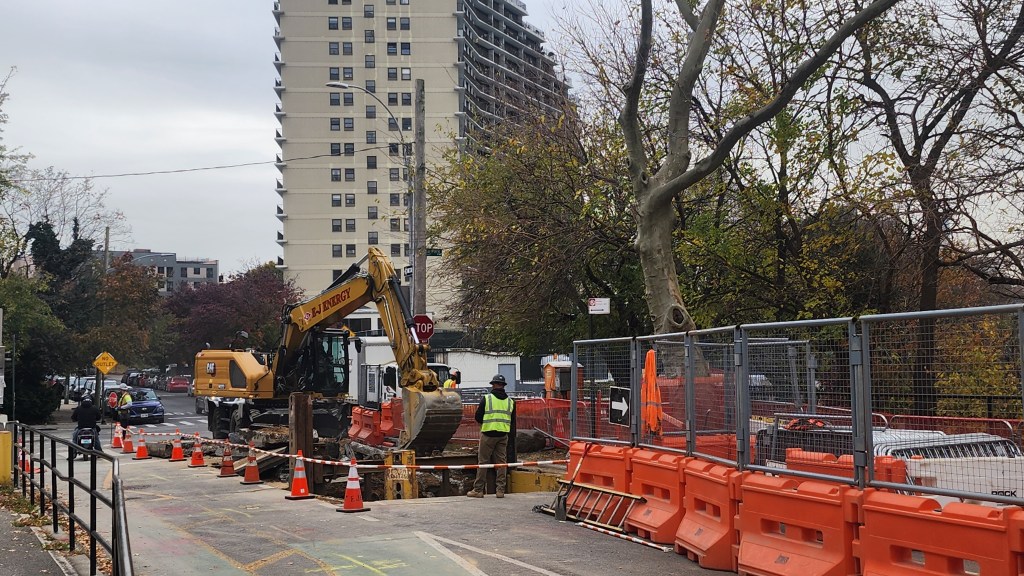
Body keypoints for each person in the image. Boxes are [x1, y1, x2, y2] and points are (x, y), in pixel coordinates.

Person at [467, 374, 516, 498]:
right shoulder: (510, 402)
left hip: (488, 434)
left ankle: (478, 490)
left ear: (493, 385)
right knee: (501, 463)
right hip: (503, 436)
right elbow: (513, 421)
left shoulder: (487, 399)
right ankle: (500, 490)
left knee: (483, 462)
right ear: (503, 386)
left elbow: (478, 416)